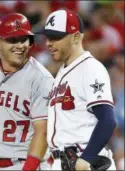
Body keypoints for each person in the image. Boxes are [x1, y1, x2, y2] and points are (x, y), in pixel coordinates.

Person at [37, 9, 117, 170]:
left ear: (76, 37)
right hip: (63, 160)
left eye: (56, 37)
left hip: (84, 159)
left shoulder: (90, 68)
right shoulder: (62, 72)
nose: (48, 43)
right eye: (48, 37)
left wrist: (86, 159)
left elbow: (107, 120)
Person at [0, 13, 54, 170]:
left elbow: (43, 132)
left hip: (26, 163)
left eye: (24, 39)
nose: (20, 45)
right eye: (12, 40)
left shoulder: (41, 78)